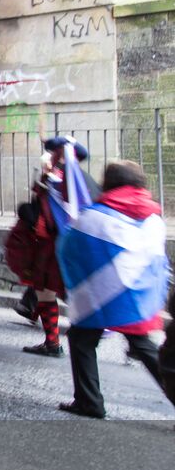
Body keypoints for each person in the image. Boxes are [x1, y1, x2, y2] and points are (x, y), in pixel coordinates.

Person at [57, 161, 172, 419]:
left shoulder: (93, 217)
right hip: (137, 296)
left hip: (101, 295)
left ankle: (89, 402)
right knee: (142, 344)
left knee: (81, 339)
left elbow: (70, 249)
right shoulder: (153, 216)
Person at [11, 137, 97, 357]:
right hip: (73, 248)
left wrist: (29, 212)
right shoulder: (85, 181)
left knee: (47, 292)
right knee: (55, 292)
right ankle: (50, 338)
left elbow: (43, 221)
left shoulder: (56, 182)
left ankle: (52, 343)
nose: (49, 157)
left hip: (52, 248)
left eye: (53, 153)